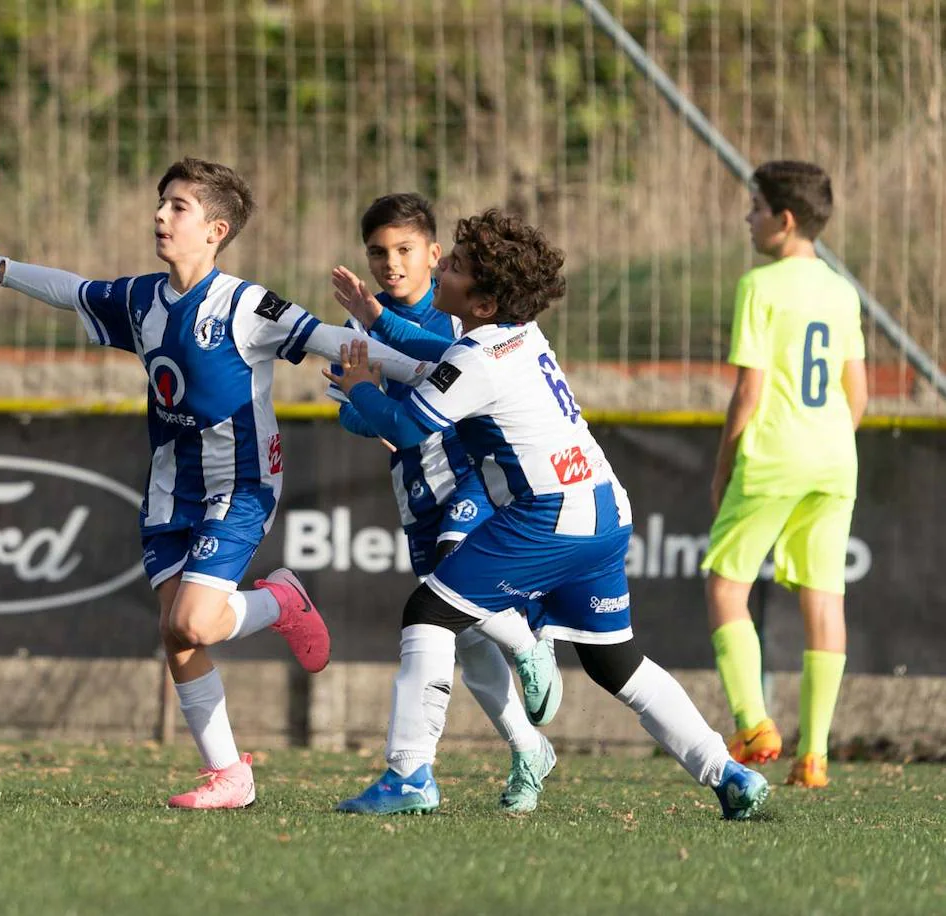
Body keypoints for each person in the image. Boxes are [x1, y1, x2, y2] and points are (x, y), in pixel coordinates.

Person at [0, 157, 434, 809]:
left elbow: (331, 339)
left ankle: (280, 602)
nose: (160, 216)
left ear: (216, 231)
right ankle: (230, 775)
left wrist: (434, 371)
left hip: (242, 484)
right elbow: (73, 290)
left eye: (178, 207)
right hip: (169, 490)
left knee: (195, 622)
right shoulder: (143, 299)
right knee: (175, 632)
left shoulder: (247, 305)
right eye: (162, 203)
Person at [325, 207, 770, 820]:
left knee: (428, 610)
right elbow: (435, 347)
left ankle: (409, 775)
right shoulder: (518, 333)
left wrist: (359, 386)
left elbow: (403, 425)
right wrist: (377, 322)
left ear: (480, 301)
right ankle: (727, 772)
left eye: (453, 265)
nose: (442, 269)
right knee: (616, 661)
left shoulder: (478, 358)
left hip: (547, 515)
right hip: (606, 509)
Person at [328, 193, 551, 814]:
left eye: (404, 250)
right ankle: (528, 747)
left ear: (435, 255)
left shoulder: (463, 312)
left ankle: (529, 643)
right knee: (464, 636)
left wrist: (381, 393)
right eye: (378, 252)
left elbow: (447, 380)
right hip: (416, 489)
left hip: (473, 478)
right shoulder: (357, 326)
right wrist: (362, 404)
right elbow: (352, 412)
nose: (390, 263)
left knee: (457, 588)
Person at [703, 161, 868, 789]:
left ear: (784, 220)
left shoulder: (761, 286)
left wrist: (723, 468)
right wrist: (827, 443)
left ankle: (753, 726)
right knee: (824, 597)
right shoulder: (841, 290)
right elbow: (859, 396)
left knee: (725, 586)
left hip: (775, 455)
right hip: (835, 459)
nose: (748, 218)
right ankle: (816, 755)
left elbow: (749, 391)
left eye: (754, 207)